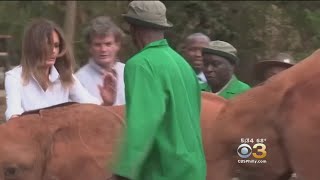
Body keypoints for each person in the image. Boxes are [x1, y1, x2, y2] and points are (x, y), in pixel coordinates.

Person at [110, 1, 206, 180]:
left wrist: (122, 172)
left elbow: (142, 123)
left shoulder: (140, 64)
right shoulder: (183, 64)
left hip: (162, 171)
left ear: (133, 28)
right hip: (193, 169)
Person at [4, 18, 116, 121]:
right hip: (29, 140)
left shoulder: (66, 76)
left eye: (56, 46)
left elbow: (92, 107)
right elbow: (14, 117)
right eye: (47, 44)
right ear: (33, 47)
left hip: (62, 142)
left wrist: (107, 103)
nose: (53, 51)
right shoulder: (14, 78)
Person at [76, 16, 125, 105]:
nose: (103, 49)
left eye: (108, 44)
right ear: (89, 47)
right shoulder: (79, 80)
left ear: (117, 45)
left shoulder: (128, 71)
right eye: (97, 45)